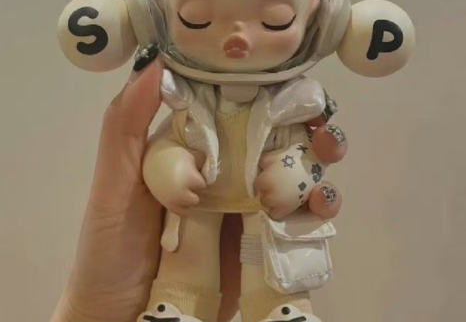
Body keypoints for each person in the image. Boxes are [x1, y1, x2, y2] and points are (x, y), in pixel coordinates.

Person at [50, 51, 346, 322]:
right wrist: (169, 170)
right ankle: (178, 306)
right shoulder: (188, 101)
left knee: (268, 254)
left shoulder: (293, 104)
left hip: (263, 205)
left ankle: (276, 306)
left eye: (273, 22)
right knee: (188, 251)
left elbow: (306, 151)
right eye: (198, 20)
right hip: (198, 199)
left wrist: (292, 176)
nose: (238, 36)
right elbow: (167, 144)